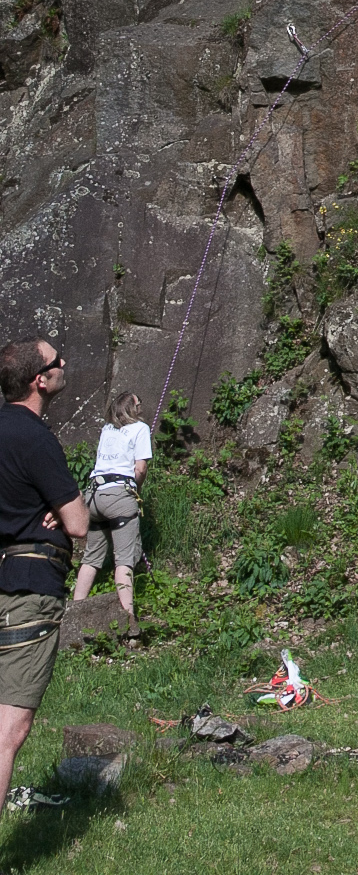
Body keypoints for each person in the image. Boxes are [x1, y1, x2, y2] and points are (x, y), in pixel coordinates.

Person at [0, 339, 88, 814]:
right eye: (58, 361)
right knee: (6, 735)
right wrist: (60, 507)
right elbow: (76, 523)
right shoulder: (35, 436)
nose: (64, 364)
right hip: (27, 590)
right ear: (40, 380)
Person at [72, 390, 151, 639]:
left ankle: (73, 615)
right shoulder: (140, 428)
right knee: (124, 560)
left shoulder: (108, 429)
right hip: (119, 495)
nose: (141, 407)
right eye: (139, 403)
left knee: (91, 559)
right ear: (132, 407)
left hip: (94, 495)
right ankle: (130, 624)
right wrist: (134, 492)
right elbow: (140, 468)